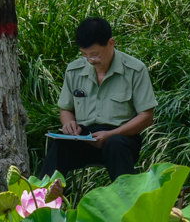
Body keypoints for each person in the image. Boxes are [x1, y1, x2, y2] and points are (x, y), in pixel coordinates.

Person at [39, 17, 157, 181]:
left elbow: (146, 117)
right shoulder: (74, 70)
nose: (90, 60)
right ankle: (40, 200)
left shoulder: (135, 70)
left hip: (121, 138)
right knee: (60, 145)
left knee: (115, 144)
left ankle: (126, 202)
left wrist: (111, 134)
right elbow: (66, 109)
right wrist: (68, 123)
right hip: (84, 137)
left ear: (111, 43)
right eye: (85, 55)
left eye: (95, 55)